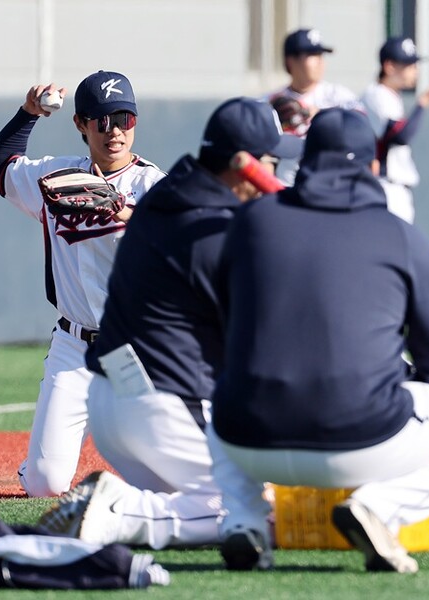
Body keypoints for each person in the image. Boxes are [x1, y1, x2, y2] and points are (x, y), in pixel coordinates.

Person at [207, 108, 429, 573]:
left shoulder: (251, 222)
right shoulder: (402, 236)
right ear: (374, 168)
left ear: (304, 161)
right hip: (357, 444)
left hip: (245, 438)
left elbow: (220, 322)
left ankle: (243, 520)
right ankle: (379, 508)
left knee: (222, 392)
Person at [33, 98, 302, 548]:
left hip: (112, 398)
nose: (276, 174)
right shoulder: (215, 227)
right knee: (262, 514)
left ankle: (124, 508)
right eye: (271, 162)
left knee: (201, 500)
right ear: (244, 164)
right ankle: (118, 513)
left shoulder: (171, 193)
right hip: (159, 404)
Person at [0, 71, 165, 497]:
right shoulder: (55, 177)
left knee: (163, 480)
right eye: (102, 120)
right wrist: (28, 114)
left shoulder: (155, 186)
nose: (115, 131)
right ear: (81, 123)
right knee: (45, 486)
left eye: (124, 118)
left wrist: (131, 219)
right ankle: (37, 466)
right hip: (74, 347)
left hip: (139, 348)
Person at [361, 36, 429, 223]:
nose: (415, 71)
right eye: (409, 65)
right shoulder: (376, 95)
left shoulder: (389, 96)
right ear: (390, 67)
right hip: (385, 186)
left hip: (393, 188)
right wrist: (425, 101)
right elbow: (401, 135)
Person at [263, 28, 362, 184]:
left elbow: (361, 128)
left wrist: (321, 115)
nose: (320, 61)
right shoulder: (271, 101)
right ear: (291, 61)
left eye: (321, 55)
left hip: (332, 181)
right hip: (287, 183)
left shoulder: (339, 96)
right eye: (312, 55)